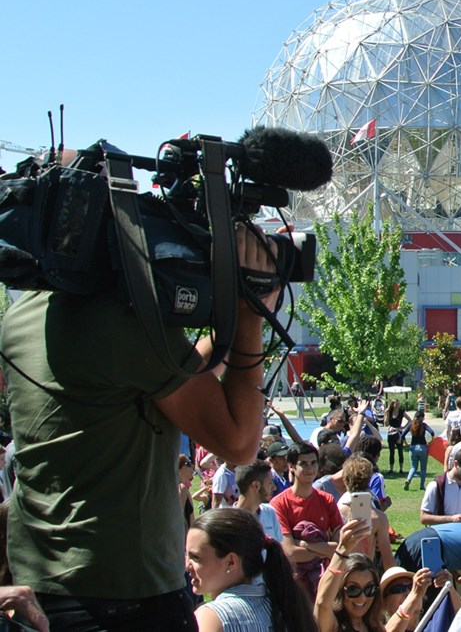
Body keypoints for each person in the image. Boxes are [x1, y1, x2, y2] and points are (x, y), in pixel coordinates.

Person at [0, 224, 281, 628]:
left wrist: (225, 327)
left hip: (45, 582)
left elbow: (172, 379)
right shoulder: (122, 319)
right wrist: (249, 316)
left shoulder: (24, 312)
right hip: (125, 599)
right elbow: (239, 441)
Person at [188, 508, 316, 632]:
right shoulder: (287, 608)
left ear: (230, 562)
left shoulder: (211, 618)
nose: (187, 566)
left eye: (195, 558)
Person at [270, 442, 344, 598]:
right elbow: (290, 552)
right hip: (291, 584)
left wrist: (304, 544)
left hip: (324, 582)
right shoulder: (279, 504)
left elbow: (339, 548)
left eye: (313, 463)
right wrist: (324, 551)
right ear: (291, 466)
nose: (310, 469)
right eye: (303, 464)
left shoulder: (327, 500)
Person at [313, 521, 385, 632]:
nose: (362, 597)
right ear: (340, 590)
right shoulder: (332, 625)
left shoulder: (375, 625)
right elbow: (322, 603)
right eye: (353, 590)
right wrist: (342, 550)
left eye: (369, 589)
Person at [420, 448, 461, 526]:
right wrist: (451, 519)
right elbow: (423, 518)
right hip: (442, 535)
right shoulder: (436, 486)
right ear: (455, 464)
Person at [235, 461, 283, 543]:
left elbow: (279, 549)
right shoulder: (228, 522)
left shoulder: (269, 512)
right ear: (256, 485)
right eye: (270, 482)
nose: (274, 488)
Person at [401, 411, 435, 491]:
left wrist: (406, 443)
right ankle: (422, 485)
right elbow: (432, 432)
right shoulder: (423, 425)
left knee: (413, 467)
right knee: (423, 468)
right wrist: (430, 442)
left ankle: (408, 480)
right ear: (422, 417)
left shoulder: (411, 425)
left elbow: (403, 435)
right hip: (423, 447)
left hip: (413, 447)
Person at [385, 400, 412, 475]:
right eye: (395, 404)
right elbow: (386, 424)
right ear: (392, 404)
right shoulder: (389, 412)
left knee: (400, 451)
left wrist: (403, 427)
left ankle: (401, 469)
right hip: (391, 433)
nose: (397, 405)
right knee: (391, 452)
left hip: (399, 433)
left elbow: (410, 420)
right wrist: (386, 414)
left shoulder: (401, 412)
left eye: (398, 403)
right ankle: (391, 469)